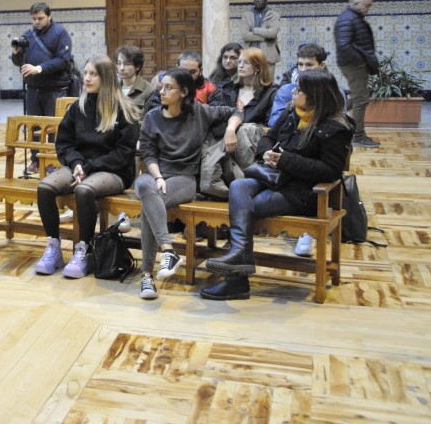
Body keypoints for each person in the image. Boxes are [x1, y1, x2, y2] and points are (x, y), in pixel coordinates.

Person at [201, 70, 353, 300]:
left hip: (303, 192)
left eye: (299, 90)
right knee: (238, 187)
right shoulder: (294, 112)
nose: (293, 92)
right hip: (274, 178)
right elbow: (268, 137)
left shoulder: (335, 128)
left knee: (248, 208)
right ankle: (239, 260)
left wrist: (286, 160)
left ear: (314, 95)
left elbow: (330, 171)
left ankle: (236, 277)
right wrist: (267, 153)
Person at [135, 68, 243, 300]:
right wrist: (158, 177)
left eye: (168, 88)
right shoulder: (153, 117)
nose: (161, 92)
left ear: (184, 92)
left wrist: (231, 130)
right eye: (161, 86)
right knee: (145, 188)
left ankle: (147, 276)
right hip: (155, 176)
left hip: (184, 178)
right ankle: (168, 250)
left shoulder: (200, 112)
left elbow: (235, 111)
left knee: (149, 205)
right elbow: (147, 153)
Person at [35, 56, 140, 277]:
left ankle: (84, 249)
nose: (87, 79)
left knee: (83, 190)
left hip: (114, 170)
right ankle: (53, 247)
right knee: (45, 187)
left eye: (93, 74)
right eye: (85, 73)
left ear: (107, 78)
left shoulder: (124, 108)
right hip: (81, 166)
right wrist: (76, 164)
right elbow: (64, 143)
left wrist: (89, 166)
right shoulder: (78, 106)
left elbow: (123, 153)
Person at [200, 47, 278, 197]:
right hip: (227, 135)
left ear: (257, 67)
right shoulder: (229, 88)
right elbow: (220, 115)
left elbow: (271, 126)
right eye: (240, 62)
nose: (240, 65)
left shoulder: (271, 91)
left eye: (246, 63)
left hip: (256, 140)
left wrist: (237, 128)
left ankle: (249, 181)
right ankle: (212, 182)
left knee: (245, 130)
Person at [11, 2, 73, 172]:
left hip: (55, 88)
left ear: (49, 16)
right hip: (33, 89)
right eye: (34, 19)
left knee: (53, 127)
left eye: (40, 18)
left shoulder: (60, 33)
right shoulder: (27, 35)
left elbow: (63, 60)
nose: (37, 22)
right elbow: (19, 62)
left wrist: (38, 68)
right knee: (34, 126)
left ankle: (53, 161)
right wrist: (15, 53)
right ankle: (36, 161)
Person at [334, 0, 380, 148]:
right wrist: (360, 61)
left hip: (355, 64)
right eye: (367, 4)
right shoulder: (348, 19)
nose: (369, 8)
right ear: (355, 3)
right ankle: (358, 135)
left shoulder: (353, 18)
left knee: (359, 96)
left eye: (370, 4)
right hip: (353, 65)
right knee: (361, 99)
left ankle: (333, 116)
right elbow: (343, 45)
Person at [142, 51, 218, 114]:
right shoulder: (163, 85)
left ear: (200, 71)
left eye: (192, 72)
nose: (187, 75)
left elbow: (216, 113)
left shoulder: (210, 88)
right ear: (177, 67)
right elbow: (152, 109)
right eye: (183, 70)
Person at [240, 0, 281, 66]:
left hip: (269, 56)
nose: (258, 1)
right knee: (250, 77)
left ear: (266, 1)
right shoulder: (246, 15)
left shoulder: (274, 15)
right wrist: (265, 38)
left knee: (267, 78)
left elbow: (272, 33)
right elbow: (245, 35)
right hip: (250, 55)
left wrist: (255, 30)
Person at [114, 45, 154, 111]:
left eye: (127, 64)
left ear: (137, 66)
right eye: (118, 63)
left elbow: (149, 118)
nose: (121, 68)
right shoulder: (112, 88)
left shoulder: (149, 90)